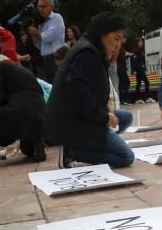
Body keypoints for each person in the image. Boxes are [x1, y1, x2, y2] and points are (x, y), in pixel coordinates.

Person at [44, 11, 134, 168]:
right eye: (116, 38)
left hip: (87, 115)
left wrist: (108, 107)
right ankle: (73, 151)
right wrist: (104, 117)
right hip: (75, 122)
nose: (118, 45)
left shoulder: (96, 51)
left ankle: (93, 144)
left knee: (125, 118)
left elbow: (95, 88)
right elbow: (79, 97)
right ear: (102, 34)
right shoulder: (86, 53)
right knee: (125, 156)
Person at [0, 56, 47, 162]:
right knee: (27, 150)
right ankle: (37, 143)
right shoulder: (25, 71)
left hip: (15, 115)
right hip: (40, 118)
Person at [27, 0, 65, 82]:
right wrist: (32, 34)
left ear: (51, 7)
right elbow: (39, 45)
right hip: (44, 60)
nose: (40, 9)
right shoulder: (42, 23)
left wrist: (36, 32)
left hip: (56, 59)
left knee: (54, 87)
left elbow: (48, 37)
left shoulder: (57, 18)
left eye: (43, 6)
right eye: (39, 6)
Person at [131, 37, 150, 103]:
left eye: (142, 41)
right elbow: (135, 61)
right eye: (140, 41)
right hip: (139, 70)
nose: (141, 43)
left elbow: (142, 61)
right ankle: (145, 98)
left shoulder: (141, 50)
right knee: (146, 82)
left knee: (139, 84)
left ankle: (138, 99)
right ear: (137, 43)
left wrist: (144, 68)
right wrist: (135, 70)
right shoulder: (136, 51)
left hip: (141, 70)